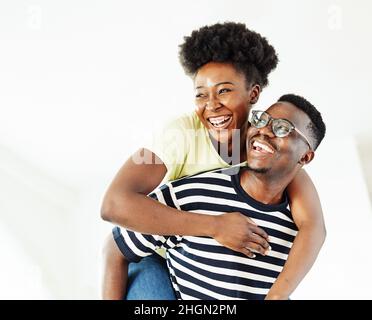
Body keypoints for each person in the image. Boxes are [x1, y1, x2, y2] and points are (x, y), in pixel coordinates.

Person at [101, 22, 324, 299]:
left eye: (224, 91)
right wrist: (214, 226)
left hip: (210, 264)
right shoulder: (181, 134)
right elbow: (114, 205)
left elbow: (313, 227)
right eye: (200, 94)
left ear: (253, 94)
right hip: (157, 254)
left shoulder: (263, 148)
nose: (211, 104)